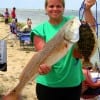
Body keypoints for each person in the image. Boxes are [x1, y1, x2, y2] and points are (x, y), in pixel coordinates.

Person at [30, 0, 96, 100]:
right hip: (47, 85)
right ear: (46, 9)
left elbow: (90, 30)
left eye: (58, 6)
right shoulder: (39, 30)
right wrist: (42, 67)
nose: (55, 9)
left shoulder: (73, 22)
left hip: (73, 83)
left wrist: (87, 9)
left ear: (63, 8)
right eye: (51, 6)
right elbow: (43, 56)